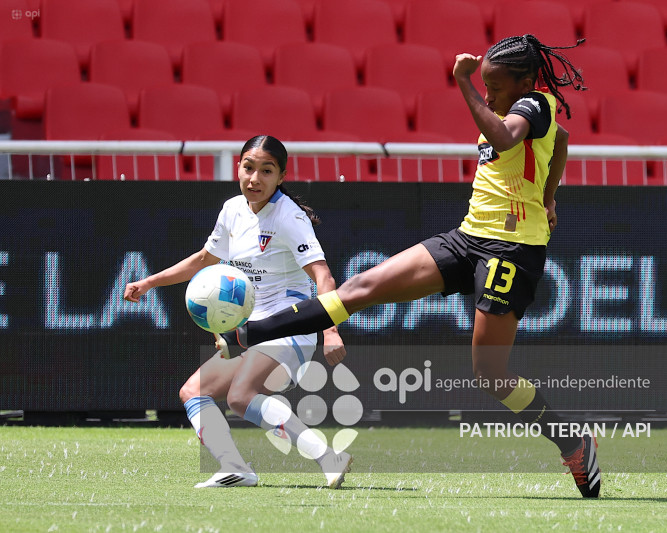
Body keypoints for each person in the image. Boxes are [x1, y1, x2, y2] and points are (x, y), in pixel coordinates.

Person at [218, 35, 600, 498]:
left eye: (496, 88)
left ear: (524, 83)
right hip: (469, 237)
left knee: (489, 374)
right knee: (361, 287)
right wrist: (549, 195)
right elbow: (561, 141)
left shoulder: (535, 104)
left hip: (512, 250)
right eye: (485, 86)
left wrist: (464, 84)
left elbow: (511, 138)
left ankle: (572, 442)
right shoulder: (519, 111)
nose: (490, 95)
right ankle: (250, 334)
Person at [123, 135, 352, 489]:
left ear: (281, 176)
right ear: (239, 168)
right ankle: (234, 467)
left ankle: (328, 457)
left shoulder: (289, 217)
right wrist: (150, 282)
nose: (254, 178)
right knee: (192, 392)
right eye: (248, 168)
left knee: (240, 397)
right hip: (250, 331)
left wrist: (330, 331)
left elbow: (324, 277)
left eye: (266, 171)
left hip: (290, 327)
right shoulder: (232, 210)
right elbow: (205, 259)